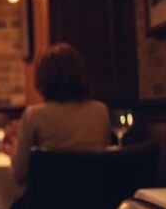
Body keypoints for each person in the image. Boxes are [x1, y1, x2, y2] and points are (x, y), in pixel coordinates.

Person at [9, 43, 111, 185]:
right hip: (95, 201)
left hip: (47, 204)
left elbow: (20, 175)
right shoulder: (101, 110)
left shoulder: (34, 115)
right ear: (80, 73)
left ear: (42, 78)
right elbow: (104, 162)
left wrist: (14, 146)